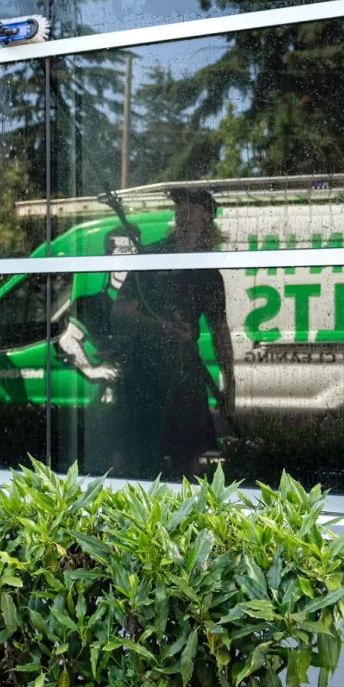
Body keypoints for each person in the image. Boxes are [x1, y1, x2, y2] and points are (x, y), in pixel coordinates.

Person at [101, 188, 235, 480]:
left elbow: (219, 330)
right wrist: (163, 328)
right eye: (180, 209)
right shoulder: (149, 257)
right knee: (131, 461)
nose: (182, 214)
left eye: (191, 209)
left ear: (207, 219)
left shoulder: (208, 273)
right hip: (142, 374)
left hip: (185, 375)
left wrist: (229, 385)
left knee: (187, 467)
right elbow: (120, 313)